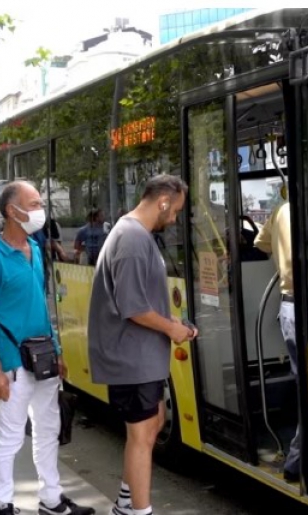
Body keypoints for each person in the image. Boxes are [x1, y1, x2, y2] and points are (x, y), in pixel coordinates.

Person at [0, 181, 95, 515]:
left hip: (42, 359)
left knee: (49, 429)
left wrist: (56, 351)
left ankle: (52, 499)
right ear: (13, 211)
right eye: (35, 203)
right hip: (12, 363)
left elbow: (40, 306)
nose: (41, 210)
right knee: (10, 436)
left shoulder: (35, 250)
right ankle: (2, 505)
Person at [88, 174, 197, 515]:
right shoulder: (134, 240)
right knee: (141, 437)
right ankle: (138, 511)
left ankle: (125, 501)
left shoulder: (134, 234)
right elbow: (133, 308)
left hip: (141, 356)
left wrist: (172, 323)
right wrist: (172, 329)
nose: (175, 218)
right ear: (163, 201)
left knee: (155, 421)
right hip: (131, 357)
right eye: (175, 210)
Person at [253, 200, 301, 483]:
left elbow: (261, 243)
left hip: (288, 307)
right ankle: (297, 462)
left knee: (303, 386)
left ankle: (298, 459)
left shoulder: (282, 209)